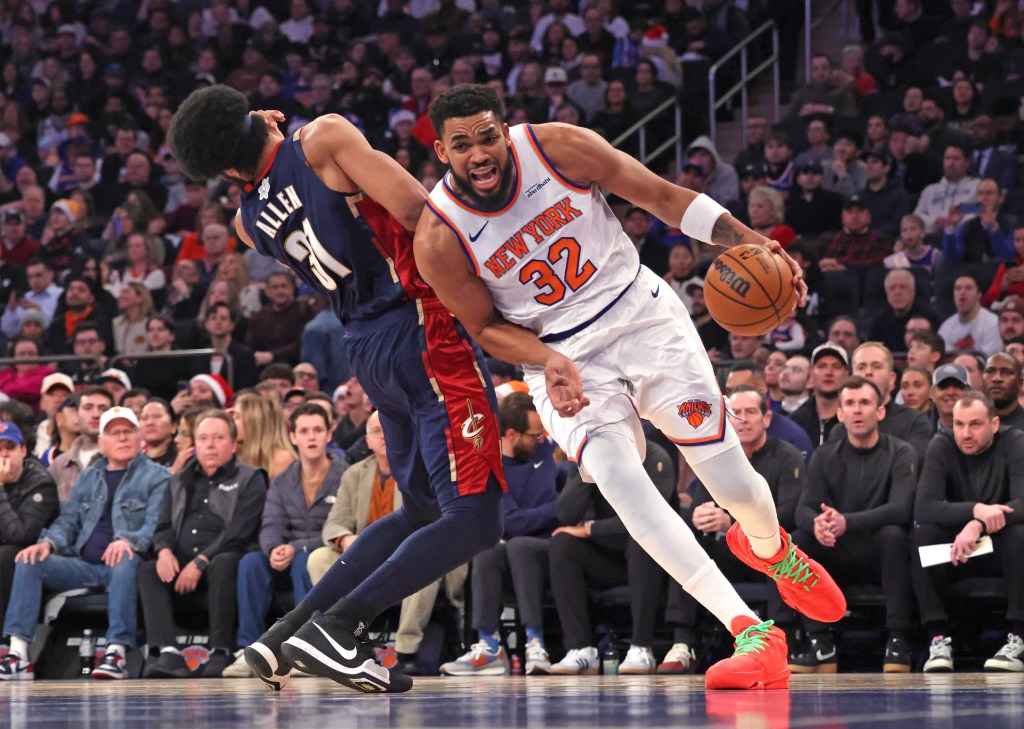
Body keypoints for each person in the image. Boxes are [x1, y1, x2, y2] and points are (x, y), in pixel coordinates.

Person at [417, 84, 845, 691]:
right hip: (560, 355)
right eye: (462, 145)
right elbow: (485, 326)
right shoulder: (439, 236)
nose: (479, 153)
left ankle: (770, 548)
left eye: (488, 136)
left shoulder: (559, 147)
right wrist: (545, 358)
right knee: (622, 481)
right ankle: (752, 632)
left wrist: (751, 242)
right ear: (441, 151)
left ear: (506, 129)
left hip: (642, 317)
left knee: (733, 484)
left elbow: (666, 199)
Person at [168, 85, 504, 694]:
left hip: (366, 348)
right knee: (476, 518)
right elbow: (420, 213)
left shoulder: (246, 224)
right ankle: (340, 627)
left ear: (222, 167)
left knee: (425, 509)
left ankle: (286, 634)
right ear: (255, 115)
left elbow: (265, 176)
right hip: (421, 326)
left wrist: (251, 136)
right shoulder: (321, 136)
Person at [0, 406, 170, 681]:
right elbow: (68, 521)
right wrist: (48, 545)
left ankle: (116, 652)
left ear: (140, 438)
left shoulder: (158, 477)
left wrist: (129, 540)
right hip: (83, 565)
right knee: (30, 560)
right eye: (114, 433)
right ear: (102, 442)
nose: (123, 438)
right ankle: (18, 653)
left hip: (128, 564)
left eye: (128, 431)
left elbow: (157, 525)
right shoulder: (90, 476)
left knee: (124, 559)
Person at [661, 387, 805, 674]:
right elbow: (701, 505)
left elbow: (792, 513)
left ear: (766, 418)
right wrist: (698, 515)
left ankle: (781, 638)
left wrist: (733, 522)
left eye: (751, 412)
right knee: (685, 544)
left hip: (768, 553)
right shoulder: (716, 458)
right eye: (736, 413)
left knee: (792, 543)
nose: (744, 419)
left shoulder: (787, 456)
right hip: (731, 554)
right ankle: (682, 641)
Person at [791, 377, 917, 674]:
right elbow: (802, 510)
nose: (857, 410)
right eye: (850, 403)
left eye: (865, 403)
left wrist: (848, 522)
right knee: (799, 538)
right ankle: (820, 642)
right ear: (840, 414)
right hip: (837, 553)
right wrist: (818, 524)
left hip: (881, 554)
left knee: (893, 535)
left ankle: (898, 639)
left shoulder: (901, 452)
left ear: (880, 411)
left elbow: (901, 509)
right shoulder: (824, 455)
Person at [439, 392, 562, 677]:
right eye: (534, 435)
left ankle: (535, 641)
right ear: (511, 434)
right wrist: (554, 508)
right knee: (488, 549)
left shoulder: (544, 452)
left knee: (518, 545)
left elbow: (566, 496)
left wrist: (558, 509)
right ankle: (489, 645)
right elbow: (513, 521)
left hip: (552, 545)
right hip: (515, 547)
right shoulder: (488, 466)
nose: (541, 439)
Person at [138, 409, 267, 678]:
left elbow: (239, 531)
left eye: (218, 438)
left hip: (221, 559)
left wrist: (201, 561)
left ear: (233, 444)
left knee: (225, 561)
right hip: (182, 561)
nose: (210, 444)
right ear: (194, 444)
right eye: (204, 438)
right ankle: (168, 652)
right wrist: (163, 551)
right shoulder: (179, 479)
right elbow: (163, 526)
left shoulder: (251, 477)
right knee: (148, 569)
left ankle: (220, 650)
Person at [224, 402, 346, 678]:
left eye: (318, 430)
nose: (311, 437)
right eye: (304, 431)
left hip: (320, 554)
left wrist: (296, 547)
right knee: (251, 562)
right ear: (293, 437)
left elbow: (339, 528)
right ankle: (249, 647)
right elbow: (270, 524)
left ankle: (305, 647)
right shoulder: (282, 480)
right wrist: (273, 548)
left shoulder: (345, 475)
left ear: (329, 434)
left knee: (305, 559)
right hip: (285, 554)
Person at [913, 391, 1024, 673]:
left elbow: (1022, 503)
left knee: (1018, 535)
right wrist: (976, 510)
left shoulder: (1014, 442)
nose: (965, 433)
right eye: (959, 424)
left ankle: (1018, 638)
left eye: (975, 424)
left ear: (995, 424)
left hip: (1000, 549)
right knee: (922, 536)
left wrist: (979, 524)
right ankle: (937, 638)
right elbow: (924, 507)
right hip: (956, 553)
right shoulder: (941, 445)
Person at [0, 422, 59, 632]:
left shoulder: (40, 483)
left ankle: (4, 641)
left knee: (6, 555)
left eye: (10, 447)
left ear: (23, 450)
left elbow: (22, 536)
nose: (4, 454)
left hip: (34, 559)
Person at [49, 386, 114, 500]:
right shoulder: (59, 466)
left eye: (103, 409)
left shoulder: (124, 461)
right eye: (88, 408)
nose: (96, 414)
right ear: (77, 415)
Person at [790, 343, 850, 449]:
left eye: (836, 367)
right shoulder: (795, 421)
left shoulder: (854, 420)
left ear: (847, 374)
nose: (828, 372)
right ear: (811, 374)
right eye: (822, 366)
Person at [938, 275, 1002, 355]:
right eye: (958, 288)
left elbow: (989, 359)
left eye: (968, 288)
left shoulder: (993, 323)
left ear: (979, 294)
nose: (962, 292)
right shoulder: (946, 326)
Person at [981, 353, 1024, 430]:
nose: (997, 378)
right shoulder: (964, 424)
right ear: (982, 379)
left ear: (1020, 383)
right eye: (990, 372)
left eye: (1006, 372)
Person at [930, 363, 971, 433]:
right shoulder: (921, 430)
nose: (951, 392)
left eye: (958, 386)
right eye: (943, 386)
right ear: (932, 393)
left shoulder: (981, 432)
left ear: (970, 393)